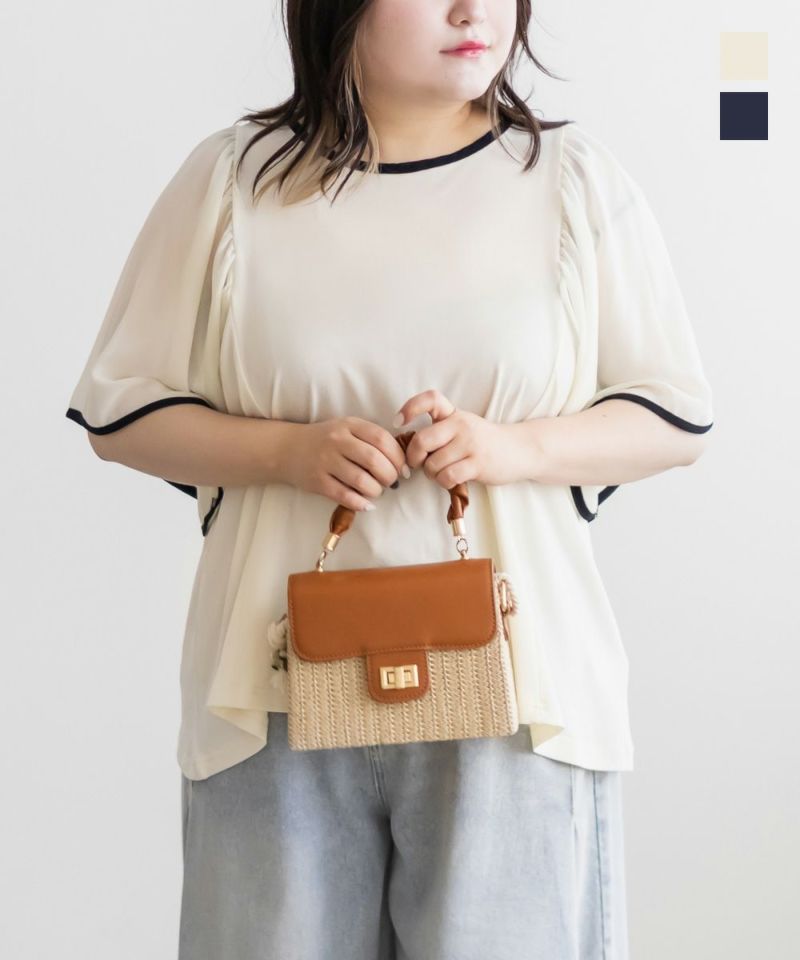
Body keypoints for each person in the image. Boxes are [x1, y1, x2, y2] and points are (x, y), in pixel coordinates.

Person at [64, 2, 714, 958]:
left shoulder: (572, 180)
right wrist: (287, 453)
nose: (473, 11)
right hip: (275, 691)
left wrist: (511, 451)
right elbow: (121, 410)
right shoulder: (234, 179)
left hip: (519, 699)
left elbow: (672, 415)